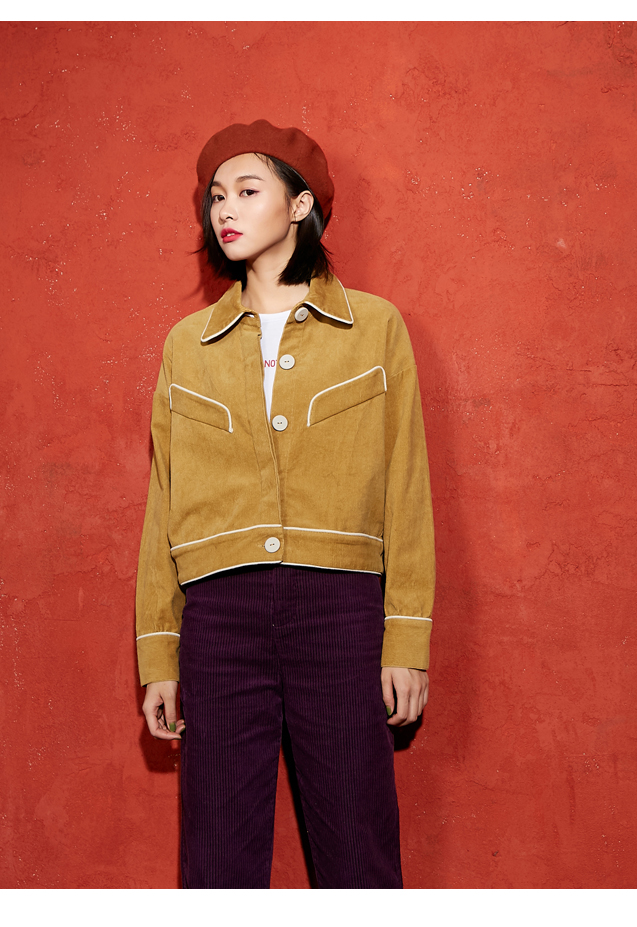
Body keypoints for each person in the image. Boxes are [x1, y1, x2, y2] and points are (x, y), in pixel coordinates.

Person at [135, 120, 435, 889]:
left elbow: (405, 487)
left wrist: (405, 639)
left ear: (301, 204)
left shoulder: (375, 329)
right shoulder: (186, 345)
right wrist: (159, 653)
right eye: (215, 197)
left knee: (358, 853)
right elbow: (164, 503)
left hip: (339, 609)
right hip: (219, 618)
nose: (224, 210)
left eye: (247, 190)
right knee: (216, 863)